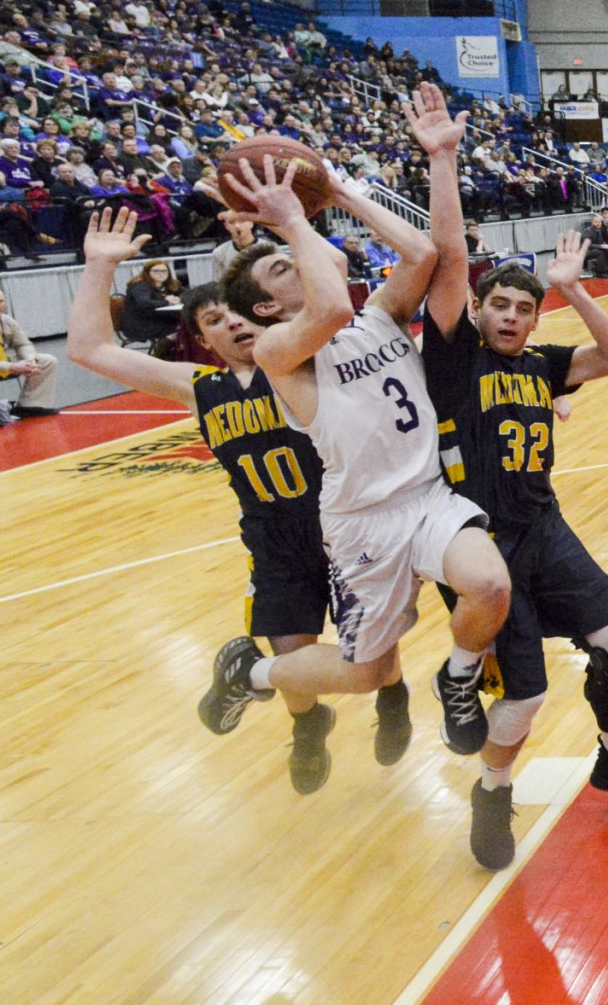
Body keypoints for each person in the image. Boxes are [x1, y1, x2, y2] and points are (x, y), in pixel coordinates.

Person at [206, 85, 512, 762]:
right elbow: (325, 312)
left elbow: (423, 254)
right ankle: (249, 672)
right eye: (284, 267)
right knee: (365, 673)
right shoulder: (279, 351)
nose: (304, 253)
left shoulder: (375, 313)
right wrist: (288, 222)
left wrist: (336, 193)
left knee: (489, 583)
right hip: (363, 521)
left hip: (426, 496)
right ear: (262, 310)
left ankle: (456, 677)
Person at [66, 207, 415, 792]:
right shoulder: (200, 388)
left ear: (262, 311)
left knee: (371, 656)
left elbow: (328, 289)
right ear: (202, 339)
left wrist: (285, 227)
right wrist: (99, 267)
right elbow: (90, 349)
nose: (231, 324)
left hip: (344, 526)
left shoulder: (305, 362)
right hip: (274, 540)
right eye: (213, 320)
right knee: (294, 657)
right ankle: (308, 726)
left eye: (237, 311)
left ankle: (394, 694)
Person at [421, 200, 608, 868]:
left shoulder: (542, 363)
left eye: (522, 308)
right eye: (498, 304)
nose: (509, 316)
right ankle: (491, 790)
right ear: (477, 309)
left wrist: (571, 288)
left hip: (545, 525)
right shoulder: (453, 366)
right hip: (484, 544)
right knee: (526, 694)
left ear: (536, 318)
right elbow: (446, 262)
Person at [0, 286, 58, 426]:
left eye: (0, 301)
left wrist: (30, 361)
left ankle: (30, 405)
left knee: (46, 360)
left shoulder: (7, 321)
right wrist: (12, 366)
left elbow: (23, 344)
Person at [120, 260, 183, 350]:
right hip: (142, 324)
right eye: (156, 271)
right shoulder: (140, 286)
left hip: (158, 319)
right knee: (184, 328)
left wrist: (179, 299)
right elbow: (143, 303)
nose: (161, 273)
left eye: (164, 271)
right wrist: (166, 302)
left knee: (188, 323)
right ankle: (161, 352)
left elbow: (187, 293)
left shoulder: (170, 284)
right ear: (147, 272)